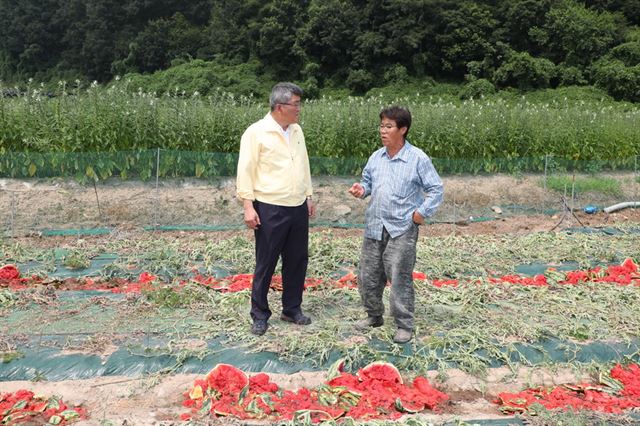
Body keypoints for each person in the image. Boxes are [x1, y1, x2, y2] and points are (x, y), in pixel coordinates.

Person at [348, 106, 443, 344]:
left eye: (389, 126)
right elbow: (368, 182)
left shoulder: (417, 158)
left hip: (402, 228)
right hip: (374, 226)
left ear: (403, 129)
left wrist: (421, 213)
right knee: (368, 276)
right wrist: (361, 190)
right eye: (381, 126)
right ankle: (373, 316)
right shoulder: (376, 157)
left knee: (399, 277)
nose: (383, 131)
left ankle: (404, 324)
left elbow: (435, 189)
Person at [236, 82, 315, 336]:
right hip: (270, 207)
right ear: (280, 106)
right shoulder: (256, 132)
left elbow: (303, 164)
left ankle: (292, 308)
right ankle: (259, 314)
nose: (299, 109)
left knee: (297, 260)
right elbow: (245, 170)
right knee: (266, 262)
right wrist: (248, 206)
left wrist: (308, 195)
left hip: (297, 205)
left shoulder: (297, 130)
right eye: (296, 104)